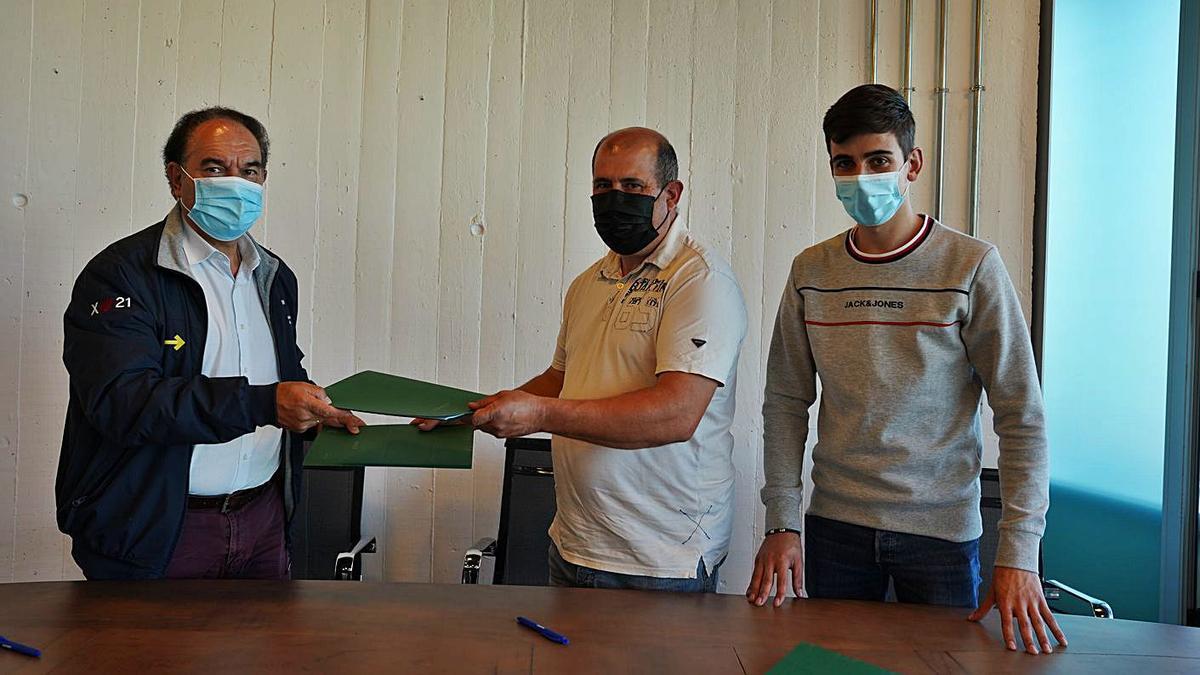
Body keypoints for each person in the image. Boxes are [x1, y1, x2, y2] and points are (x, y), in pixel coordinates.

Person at [747, 84, 1067, 655]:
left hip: (941, 535)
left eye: (879, 161)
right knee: (833, 669)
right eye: (844, 164)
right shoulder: (811, 271)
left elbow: (1022, 415)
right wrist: (781, 522)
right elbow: (785, 402)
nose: (861, 177)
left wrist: (1019, 552)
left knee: (944, 668)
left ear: (911, 164)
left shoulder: (970, 266)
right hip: (835, 530)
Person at [422, 127, 747, 592]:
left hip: (660, 556)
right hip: (576, 542)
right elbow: (561, 379)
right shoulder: (590, 282)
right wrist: (468, 412)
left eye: (632, 187)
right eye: (603, 187)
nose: (615, 200)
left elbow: (677, 415)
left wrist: (536, 415)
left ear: (671, 194)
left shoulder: (700, 281)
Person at [57, 106, 363, 580]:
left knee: (262, 656)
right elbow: (122, 401)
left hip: (263, 520)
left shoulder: (275, 277)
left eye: (250, 170)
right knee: (152, 657)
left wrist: (313, 413)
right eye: (215, 168)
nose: (235, 183)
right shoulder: (120, 275)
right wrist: (265, 404)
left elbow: (283, 373)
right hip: (158, 529)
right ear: (176, 179)